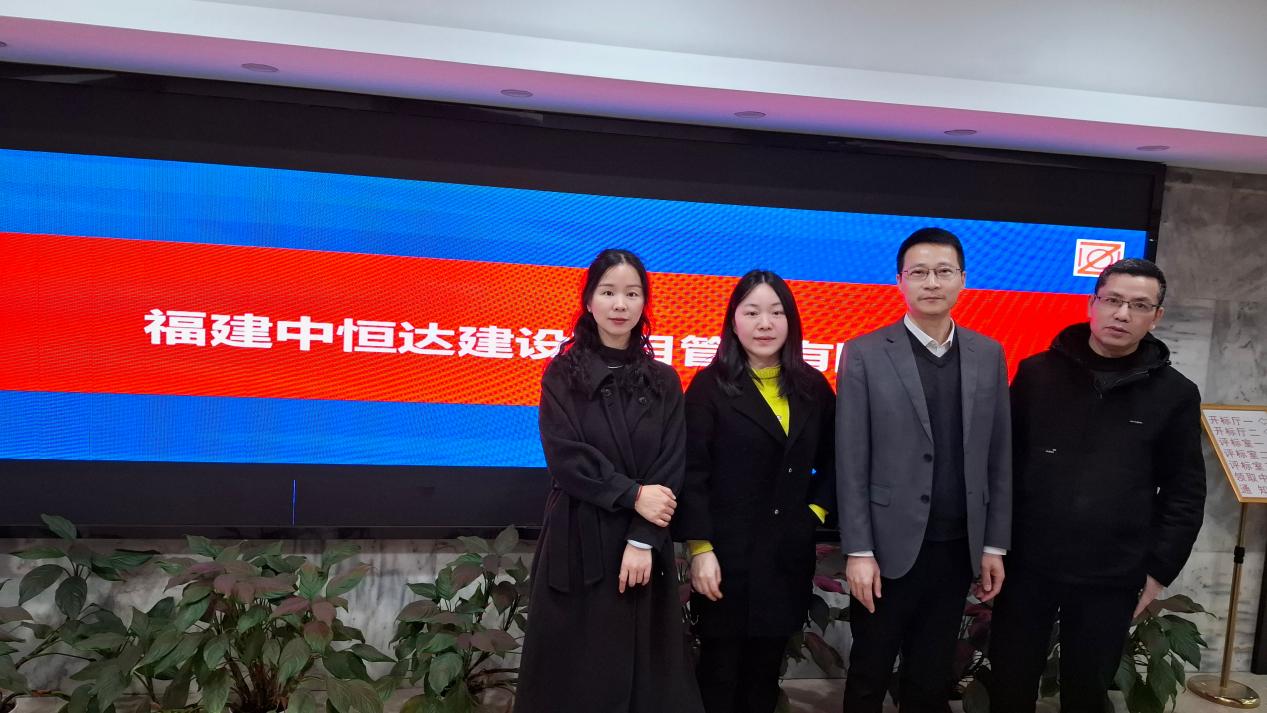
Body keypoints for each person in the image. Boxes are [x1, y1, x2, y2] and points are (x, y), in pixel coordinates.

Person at [988, 258, 1206, 713]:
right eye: (1113, 300)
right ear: (1092, 304)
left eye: (1139, 305)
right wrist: (993, 546)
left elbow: (1184, 492)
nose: (1122, 314)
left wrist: (1158, 571)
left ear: (1156, 317)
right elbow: (1001, 467)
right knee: (1010, 683)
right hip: (1027, 563)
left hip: (1112, 573)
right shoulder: (1036, 374)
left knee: (1088, 691)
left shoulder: (1175, 394)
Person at [514, 249, 704, 713]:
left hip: (642, 543)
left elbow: (670, 463)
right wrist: (632, 494)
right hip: (577, 540)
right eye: (609, 292)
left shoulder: (664, 380)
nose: (620, 304)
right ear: (589, 300)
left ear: (644, 304)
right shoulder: (562, 373)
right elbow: (566, 458)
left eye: (632, 293)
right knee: (574, 681)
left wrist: (642, 539)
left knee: (648, 684)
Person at [836, 226, 1012, 712]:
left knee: (931, 676)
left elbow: (999, 455)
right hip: (885, 549)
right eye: (919, 273)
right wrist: (859, 550)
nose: (931, 283)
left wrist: (993, 545)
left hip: (956, 547)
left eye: (943, 271)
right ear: (900, 281)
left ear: (962, 280)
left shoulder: (988, 353)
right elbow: (850, 459)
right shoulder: (865, 353)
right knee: (869, 671)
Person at [675, 270, 836, 713]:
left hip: (785, 557)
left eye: (776, 312)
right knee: (719, 676)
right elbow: (692, 473)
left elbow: (838, 459)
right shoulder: (709, 388)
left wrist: (815, 512)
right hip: (725, 560)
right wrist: (700, 549)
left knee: (765, 677)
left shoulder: (812, 387)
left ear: (790, 321)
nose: (764, 324)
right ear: (733, 321)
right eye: (752, 312)